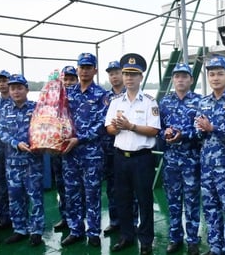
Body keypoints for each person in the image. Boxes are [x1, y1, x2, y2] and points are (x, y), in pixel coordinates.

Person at [105, 53, 160, 255]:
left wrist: (131, 126)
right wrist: (117, 128)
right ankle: (127, 236)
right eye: (126, 73)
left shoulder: (149, 102)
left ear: (141, 77)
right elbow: (108, 129)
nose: (129, 78)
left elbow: (154, 130)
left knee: (144, 200)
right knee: (123, 199)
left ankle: (145, 240)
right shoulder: (116, 102)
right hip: (121, 157)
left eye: (133, 74)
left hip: (142, 159)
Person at [60, 54, 109, 247]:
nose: (85, 70)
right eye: (82, 67)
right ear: (77, 69)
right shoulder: (68, 93)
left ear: (95, 70)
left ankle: (94, 232)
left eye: (89, 67)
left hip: (91, 152)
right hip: (69, 153)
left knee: (92, 193)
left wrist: (79, 138)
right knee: (71, 192)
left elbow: (102, 124)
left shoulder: (102, 95)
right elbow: (59, 117)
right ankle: (75, 230)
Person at [196, 55, 225, 255]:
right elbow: (198, 130)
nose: (215, 78)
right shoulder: (203, 102)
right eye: (211, 74)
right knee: (211, 208)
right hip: (207, 164)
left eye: (220, 74)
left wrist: (213, 127)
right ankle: (215, 248)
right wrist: (201, 129)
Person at [159, 62, 202, 255]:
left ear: (191, 80)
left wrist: (183, 134)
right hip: (171, 161)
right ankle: (174, 237)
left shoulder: (200, 102)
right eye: (177, 76)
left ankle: (193, 239)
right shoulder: (165, 102)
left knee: (192, 201)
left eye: (184, 76)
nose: (180, 79)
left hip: (191, 160)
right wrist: (165, 133)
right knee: (173, 201)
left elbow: (202, 132)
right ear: (173, 79)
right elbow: (157, 129)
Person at [0, 74, 44, 247]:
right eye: (12, 88)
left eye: (19, 88)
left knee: (35, 197)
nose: (16, 91)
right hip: (12, 163)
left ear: (26, 89)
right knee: (15, 198)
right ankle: (20, 229)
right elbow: (1, 132)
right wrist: (16, 143)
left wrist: (37, 143)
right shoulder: (4, 110)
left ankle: (36, 231)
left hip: (33, 162)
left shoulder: (37, 108)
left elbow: (44, 128)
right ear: (9, 91)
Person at [51, 65, 79, 231]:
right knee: (61, 185)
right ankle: (65, 218)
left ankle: (78, 221)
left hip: (76, 152)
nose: (68, 82)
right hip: (57, 151)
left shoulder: (81, 99)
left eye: (71, 79)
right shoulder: (53, 100)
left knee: (77, 189)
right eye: (65, 79)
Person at [101, 60, 126, 235]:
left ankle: (131, 222)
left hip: (127, 148)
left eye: (117, 72)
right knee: (112, 188)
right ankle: (115, 221)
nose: (114, 76)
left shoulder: (132, 94)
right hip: (109, 150)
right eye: (111, 73)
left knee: (129, 188)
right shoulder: (104, 98)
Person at [0, 70, 12, 230]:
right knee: (0, 186)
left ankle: (19, 218)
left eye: (5, 80)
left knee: (18, 187)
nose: (2, 84)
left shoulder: (19, 100)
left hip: (17, 152)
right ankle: (2, 217)